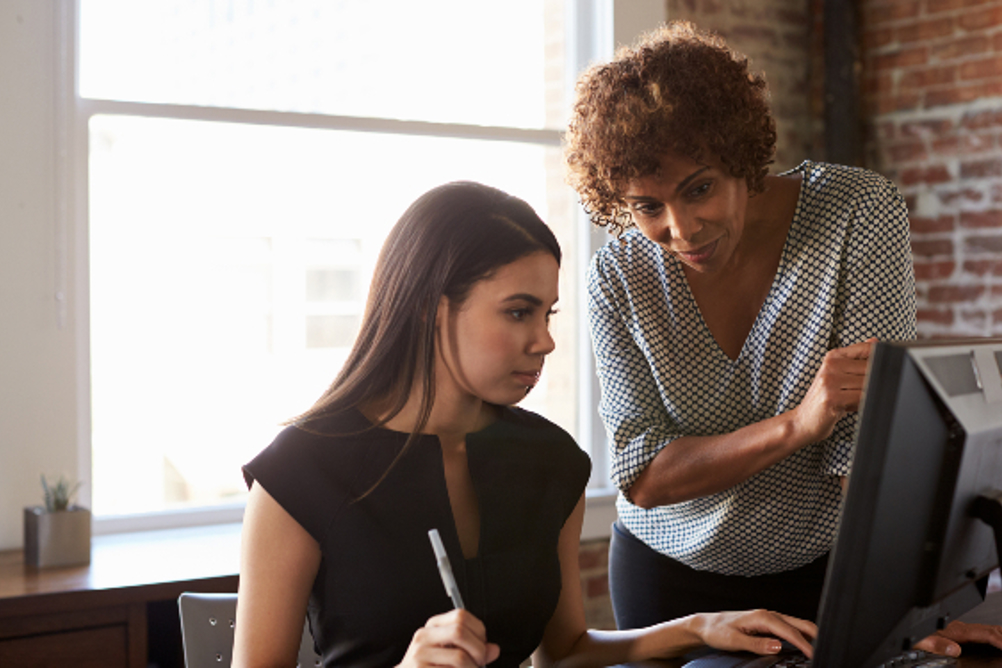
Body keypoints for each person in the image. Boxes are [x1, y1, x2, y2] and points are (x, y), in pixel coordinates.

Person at [232, 181, 819, 668]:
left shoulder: (551, 461)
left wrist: (699, 628)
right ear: (429, 307)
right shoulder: (300, 473)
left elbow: (563, 652)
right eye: (518, 312)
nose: (544, 341)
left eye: (547, 315)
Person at [564, 20, 1002, 657]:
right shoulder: (618, 274)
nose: (681, 230)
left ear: (741, 156)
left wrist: (908, 607)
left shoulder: (856, 212)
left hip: (825, 571)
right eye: (647, 206)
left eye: (699, 189)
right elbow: (643, 475)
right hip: (668, 577)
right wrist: (798, 424)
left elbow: (863, 446)